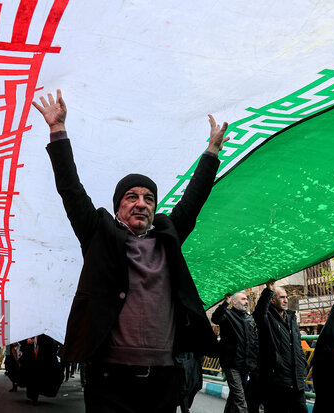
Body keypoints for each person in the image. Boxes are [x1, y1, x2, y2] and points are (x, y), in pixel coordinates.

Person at [32, 89, 228, 412]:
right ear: (119, 207)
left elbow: (193, 200)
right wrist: (57, 131)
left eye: (149, 198)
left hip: (164, 381)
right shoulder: (99, 234)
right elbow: (70, 189)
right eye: (132, 197)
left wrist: (212, 151)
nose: (141, 203)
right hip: (109, 381)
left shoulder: (168, 236)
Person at [252, 279, 307, 413]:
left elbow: (297, 345)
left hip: (296, 380)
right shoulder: (267, 318)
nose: (286, 300)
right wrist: (268, 290)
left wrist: (302, 362)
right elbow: (259, 313)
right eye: (281, 297)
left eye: (286, 297)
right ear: (272, 300)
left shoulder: (291, 318)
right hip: (277, 381)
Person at [211, 291, 259, 413]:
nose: (246, 301)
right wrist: (224, 303)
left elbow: (254, 341)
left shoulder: (250, 318)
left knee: (235, 396)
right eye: (243, 299)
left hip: (245, 365)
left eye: (247, 299)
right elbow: (215, 318)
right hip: (231, 364)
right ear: (234, 302)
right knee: (240, 400)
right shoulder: (227, 315)